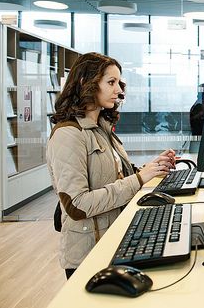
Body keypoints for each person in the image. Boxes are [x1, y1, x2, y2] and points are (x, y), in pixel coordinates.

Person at [46, 52, 176, 279]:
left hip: (112, 242)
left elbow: (114, 176)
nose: (118, 90)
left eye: (118, 83)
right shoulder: (69, 134)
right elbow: (77, 205)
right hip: (89, 256)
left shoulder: (101, 127)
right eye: (111, 82)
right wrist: (139, 179)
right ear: (85, 83)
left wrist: (150, 168)